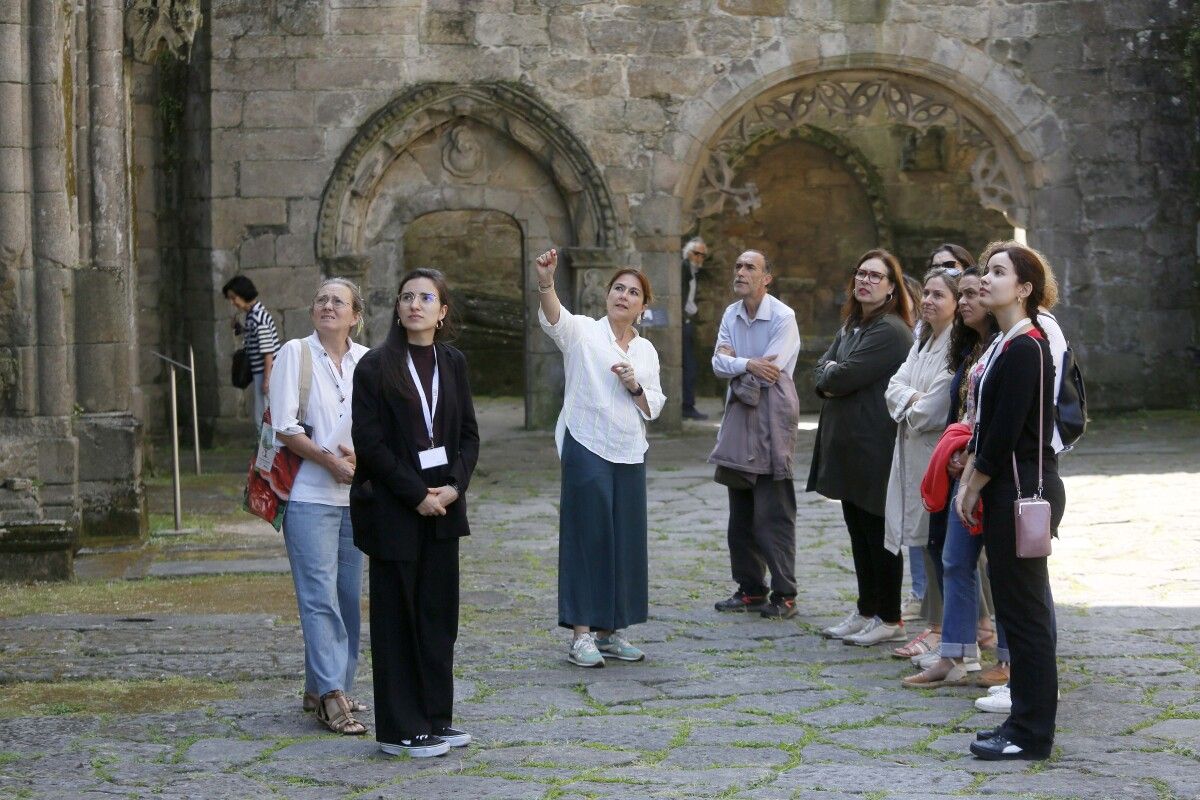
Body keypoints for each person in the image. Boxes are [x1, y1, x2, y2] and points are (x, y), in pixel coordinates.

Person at [350, 268, 480, 758]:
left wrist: (451, 488)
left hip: (444, 509)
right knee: (397, 619)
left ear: (442, 311)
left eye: (426, 297)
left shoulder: (454, 363)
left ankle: (435, 719)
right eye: (407, 297)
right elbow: (371, 443)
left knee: (436, 617)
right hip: (396, 511)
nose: (415, 305)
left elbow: (468, 435)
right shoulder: (376, 366)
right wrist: (416, 494)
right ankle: (400, 729)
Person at [956, 243, 1065, 761]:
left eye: (999, 272)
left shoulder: (1027, 346)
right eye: (986, 270)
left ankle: (1032, 732)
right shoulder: (1006, 342)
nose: (986, 279)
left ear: (1024, 288)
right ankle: (1021, 719)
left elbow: (1003, 433)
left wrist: (973, 481)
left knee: (1024, 615)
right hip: (1007, 488)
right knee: (1018, 611)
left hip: (1021, 491)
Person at [535, 248, 665, 668]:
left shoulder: (645, 352)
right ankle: (582, 634)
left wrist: (634, 385)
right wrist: (546, 282)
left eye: (633, 293)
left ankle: (613, 631)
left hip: (629, 449)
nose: (623, 296)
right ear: (606, 295)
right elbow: (554, 316)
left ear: (643, 306)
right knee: (586, 535)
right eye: (618, 289)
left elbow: (654, 404)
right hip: (586, 443)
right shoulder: (584, 332)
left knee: (625, 540)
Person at [268, 278, 369, 736]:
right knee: (318, 596)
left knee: (347, 596)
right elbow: (284, 427)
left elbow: (379, 426)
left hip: (355, 496)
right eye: (321, 299)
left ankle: (327, 686)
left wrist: (360, 460)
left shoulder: (367, 361)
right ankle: (332, 696)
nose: (328, 306)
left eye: (338, 301)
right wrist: (328, 460)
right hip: (309, 495)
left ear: (355, 315)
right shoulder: (296, 353)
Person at [904, 265, 1007, 688]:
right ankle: (955, 655)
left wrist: (976, 457)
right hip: (962, 469)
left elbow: (1003, 418)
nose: (965, 302)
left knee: (1005, 570)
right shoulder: (968, 351)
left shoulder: (1009, 347)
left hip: (995, 473)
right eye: (960, 295)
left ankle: (1008, 658)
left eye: (971, 293)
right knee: (954, 560)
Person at [809, 249, 915, 646]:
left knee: (877, 533)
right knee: (858, 530)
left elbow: (842, 376)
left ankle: (889, 617)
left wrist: (831, 375)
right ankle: (866, 608)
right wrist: (830, 374)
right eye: (861, 274)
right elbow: (822, 369)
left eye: (875, 276)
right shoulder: (854, 324)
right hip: (851, 448)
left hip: (876, 447)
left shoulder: (889, 330)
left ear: (891, 287)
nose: (865, 281)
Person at [711, 250, 803, 619]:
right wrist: (746, 364)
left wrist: (737, 367)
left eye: (750, 267)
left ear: (767, 278)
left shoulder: (784, 317)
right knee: (740, 512)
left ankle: (785, 592)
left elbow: (774, 371)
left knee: (773, 511)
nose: (741, 272)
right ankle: (750, 588)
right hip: (738, 418)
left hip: (772, 417)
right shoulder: (730, 314)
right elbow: (719, 364)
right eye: (737, 266)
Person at [884, 265, 959, 657]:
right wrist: (911, 399)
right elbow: (894, 386)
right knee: (924, 541)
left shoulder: (955, 347)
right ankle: (937, 625)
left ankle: (944, 627)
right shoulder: (922, 340)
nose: (927, 301)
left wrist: (910, 402)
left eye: (938, 295)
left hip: (934, 455)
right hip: (912, 451)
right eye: (925, 294)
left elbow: (933, 410)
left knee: (938, 544)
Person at [224, 275, 281, 430]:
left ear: (243, 294)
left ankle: (267, 453)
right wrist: (239, 328)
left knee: (263, 419)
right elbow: (256, 336)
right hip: (261, 371)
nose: (232, 302)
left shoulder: (258, 317)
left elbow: (268, 351)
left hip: (264, 372)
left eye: (234, 297)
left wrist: (266, 380)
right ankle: (265, 453)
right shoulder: (253, 315)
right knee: (263, 417)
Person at [681, 237, 710, 420]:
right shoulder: (683, 268)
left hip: (687, 321)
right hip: (683, 323)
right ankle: (687, 406)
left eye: (703, 255)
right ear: (688, 253)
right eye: (696, 253)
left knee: (690, 366)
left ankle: (688, 404)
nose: (699, 258)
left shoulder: (691, 272)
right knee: (689, 366)